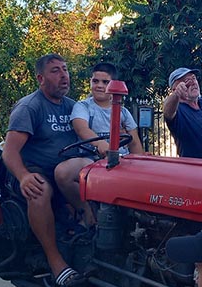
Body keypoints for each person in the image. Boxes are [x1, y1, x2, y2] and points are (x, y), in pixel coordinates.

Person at [2, 53, 83, 287]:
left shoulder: (74, 107)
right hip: (36, 170)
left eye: (65, 69)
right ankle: (55, 261)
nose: (64, 75)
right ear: (41, 78)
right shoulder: (30, 107)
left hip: (65, 170)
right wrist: (24, 176)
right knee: (39, 189)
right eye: (55, 71)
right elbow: (9, 152)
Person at [55, 62, 144, 226]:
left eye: (105, 82)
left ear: (114, 85)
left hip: (121, 161)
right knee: (63, 173)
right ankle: (88, 214)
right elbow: (81, 128)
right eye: (95, 81)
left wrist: (141, 163)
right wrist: (101, 144)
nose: (99, 86)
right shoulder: (83, 107)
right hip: (92, 159)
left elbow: (135, 142)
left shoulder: (123, 112)